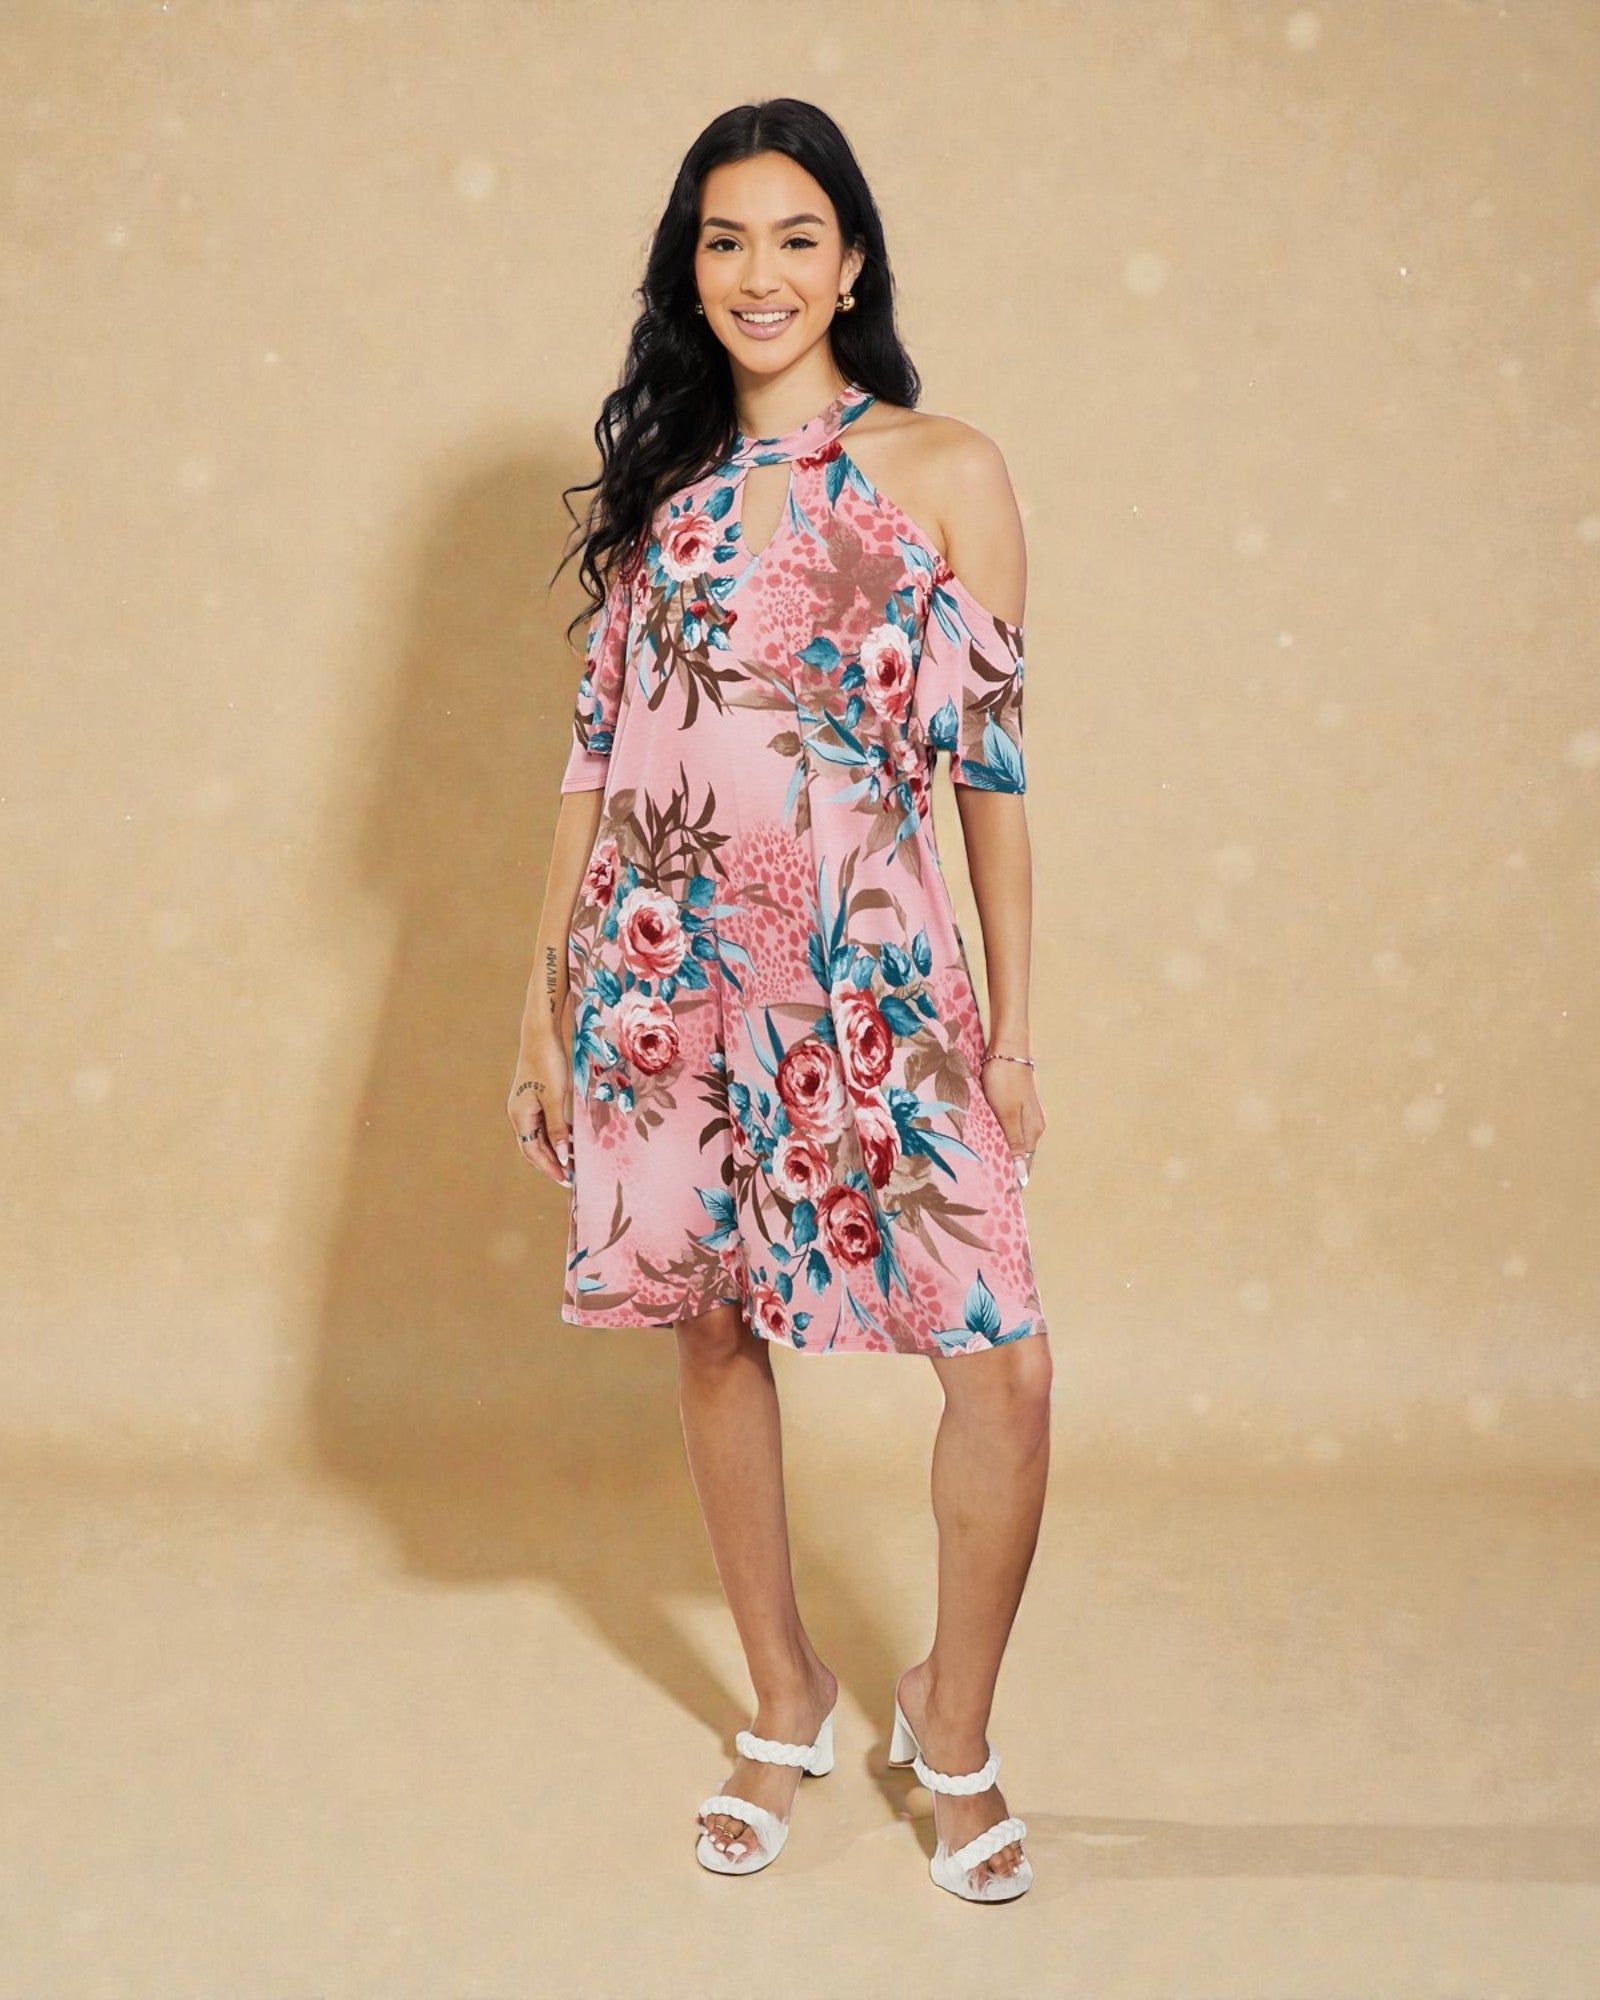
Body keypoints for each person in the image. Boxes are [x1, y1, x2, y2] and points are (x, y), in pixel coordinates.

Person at [509, 98, 1052, 1903]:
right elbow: (598, 760)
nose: (761, 272)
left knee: (1002, 1359)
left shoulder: (946, 468)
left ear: (854, 258)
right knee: (713, 1322)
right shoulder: (667, 494)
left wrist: (1016, 1025)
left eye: (797, 235)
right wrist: (541, 1002)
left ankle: (949, 1729)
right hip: (670, 982)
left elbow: (990, 769)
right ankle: (780, 1695)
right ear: (693, 266)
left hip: (878, 987)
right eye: (726, 240)